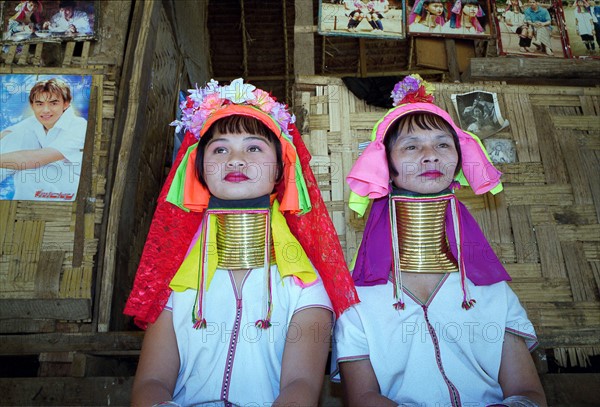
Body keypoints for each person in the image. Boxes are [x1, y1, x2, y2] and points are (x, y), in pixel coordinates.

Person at [126, 79, 358, 406]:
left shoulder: (306, 286)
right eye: (220, 148)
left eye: (253, 147)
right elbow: (151, 383)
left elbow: (301, 386)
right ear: (199, 169)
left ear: (280, 169)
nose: (235, 159)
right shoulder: (173, 282)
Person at [331, 74, 547, 406]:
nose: (430, 155)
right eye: (412, 145)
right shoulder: (358, 302)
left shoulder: (492, 291)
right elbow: (363, 399)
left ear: (459, 161)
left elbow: (527, 394)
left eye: (443, 144)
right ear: (384, 165)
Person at [0, 78, 87, 201]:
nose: (46, 110)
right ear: (32, 105)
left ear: (66, 104)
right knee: (15, 137)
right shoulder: (36, 122)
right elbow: (6, 134)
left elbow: (35, 159)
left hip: (73, 186)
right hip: (46, 177)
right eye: (39, 104)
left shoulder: (79, 127)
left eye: (53, 103)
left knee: (27, 174)